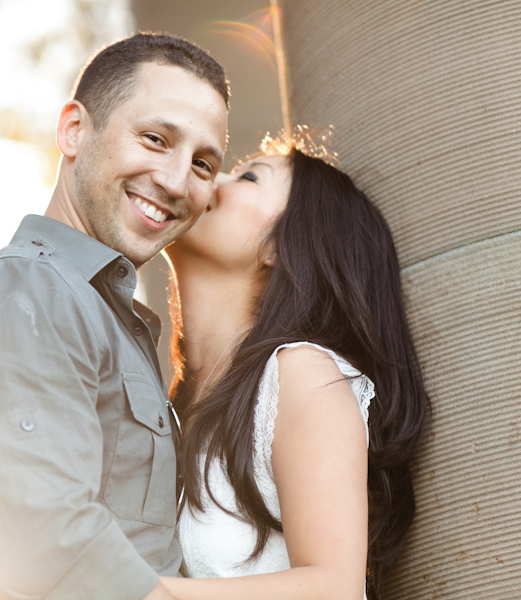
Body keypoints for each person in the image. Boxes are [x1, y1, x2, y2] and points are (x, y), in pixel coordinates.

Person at [0, 33, 229, 600]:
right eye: (154, 139)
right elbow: (53, 551)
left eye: (202, 163)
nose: (176, 182)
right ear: (74, 130)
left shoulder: (101, 312)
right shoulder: (23, 293)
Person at [155, 134, 429, 599]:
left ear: (281, 246)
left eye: (247, 176)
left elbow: (332, 588)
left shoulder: (301, 376)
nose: (212, 179)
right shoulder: (168, 403)